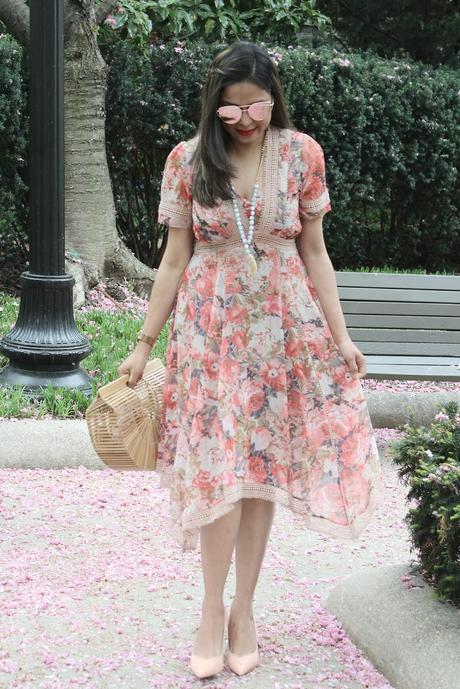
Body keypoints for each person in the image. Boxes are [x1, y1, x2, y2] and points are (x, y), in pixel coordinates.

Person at [118, 41, 385, 679]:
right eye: (232, 109)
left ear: (274, 97)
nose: (246, 119)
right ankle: (211, 612)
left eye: (257, 105)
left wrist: (340, 335)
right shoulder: (187, 160)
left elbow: (315, 252)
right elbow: (175, 260)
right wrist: (143, 344)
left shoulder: (301, 154)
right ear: (215, 105)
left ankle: (244, 611)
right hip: (212, 334)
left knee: (260, 470)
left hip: (283, 330)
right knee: (218, 473)